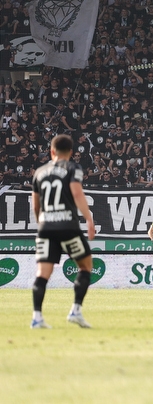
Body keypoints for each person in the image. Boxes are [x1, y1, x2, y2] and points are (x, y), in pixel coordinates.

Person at [30, 133, 96, 329]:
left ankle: (37, 318)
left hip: (46, 227)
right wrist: (89, 219)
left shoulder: (39, 172)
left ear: (52, 151)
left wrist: (41, 223)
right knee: (85, 267)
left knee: (42, 274)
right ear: (71, 152)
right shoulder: (73, 168)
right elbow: (77, 193)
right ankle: (75, 310)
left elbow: (36, 205)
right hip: (68, 226)